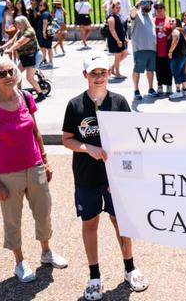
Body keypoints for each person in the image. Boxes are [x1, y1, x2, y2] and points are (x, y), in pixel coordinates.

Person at [62, 54, 150, 299]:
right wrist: (86, 147)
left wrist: (124, 176)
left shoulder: (120, 102)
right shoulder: (75, 105)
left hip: (115, 179)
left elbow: (130, 140)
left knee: (121, 222)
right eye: (93, 73)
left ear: (109, 73)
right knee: (90, 223)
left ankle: (130, 268)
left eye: (102, 72)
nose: (98, 77)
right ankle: (94, 275)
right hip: (86, 176)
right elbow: (67, 138)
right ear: (85, 76)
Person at [0, 55, 66, 283]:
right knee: (12, 219)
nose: (8, 76)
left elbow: (36, 133)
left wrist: (45, 160)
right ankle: (19, 261)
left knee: (44, 212)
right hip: (8, 174)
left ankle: (46, 252)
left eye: (10, 72)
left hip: (35, 166)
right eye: (2, 74)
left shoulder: (27, 97)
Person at [1, 16, 47, 102]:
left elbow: (20, 42)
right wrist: (2, 47)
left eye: (18, 23)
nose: (16, 25)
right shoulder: (19, 31)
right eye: (16, 23)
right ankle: (19, 92)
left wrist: (10, 50)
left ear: (23, 23)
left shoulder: (29, 32)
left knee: (29, 77)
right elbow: (13, 40)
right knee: (15, 73)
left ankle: (41, 94)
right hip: (25, 56)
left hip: (34, 56)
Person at [130, 0, 158, 101]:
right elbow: (132, 13)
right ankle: (136, 90)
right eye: (145, 3)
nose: (148, 5)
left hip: (151, 48)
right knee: (137, 69)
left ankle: (150, 88)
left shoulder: (150, 16)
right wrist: (137, 5)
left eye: (149, 3)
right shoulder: (136, 14)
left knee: (151, 70)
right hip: (140, 48)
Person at [167, 18, 186, 99]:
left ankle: (178, 92)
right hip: (183, 55)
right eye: (169, 21)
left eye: (173, 21)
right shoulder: (180, 30)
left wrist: (170, 51)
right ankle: (184, 90)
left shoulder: (175, 31)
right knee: (181, 72)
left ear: (177, 23)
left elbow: (176, 40)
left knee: (175, 72)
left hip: (177, 55)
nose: (171, 22)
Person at [154, 3, 173, 96]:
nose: (159, 10)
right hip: (156, 50)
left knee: (169, 69)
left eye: (161, 8)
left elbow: (175, 32)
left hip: (167, 49)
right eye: (157, 8)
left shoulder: (169, 20)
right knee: (158, 69)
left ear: (164, 9)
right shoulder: (152, 20)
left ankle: (169, 85)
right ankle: (159, 85)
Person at [106, 0, 127, 78]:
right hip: (115, 41)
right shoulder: (111, 18)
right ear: (112, 8)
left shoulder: (117, 16)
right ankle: (117, 74)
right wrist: (118, 40)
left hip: (120, 40)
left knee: (124, 54)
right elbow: (112, 30)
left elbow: (120, 29)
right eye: (117, 8)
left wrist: (124, 38)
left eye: (119, 8)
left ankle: (112, 68)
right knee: (117, 57)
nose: (118, 9)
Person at [35, 0, 54, 68]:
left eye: (41, 5)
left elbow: (45, 23)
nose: (39, 7)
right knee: (43, 47)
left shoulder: (45, 13)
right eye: (39, 5)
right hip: (45, 33)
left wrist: (43, 32)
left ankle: (50, 62)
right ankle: (43, 61)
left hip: (45, 33)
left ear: (45, 6)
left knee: (48, 47)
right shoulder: (44, 13)